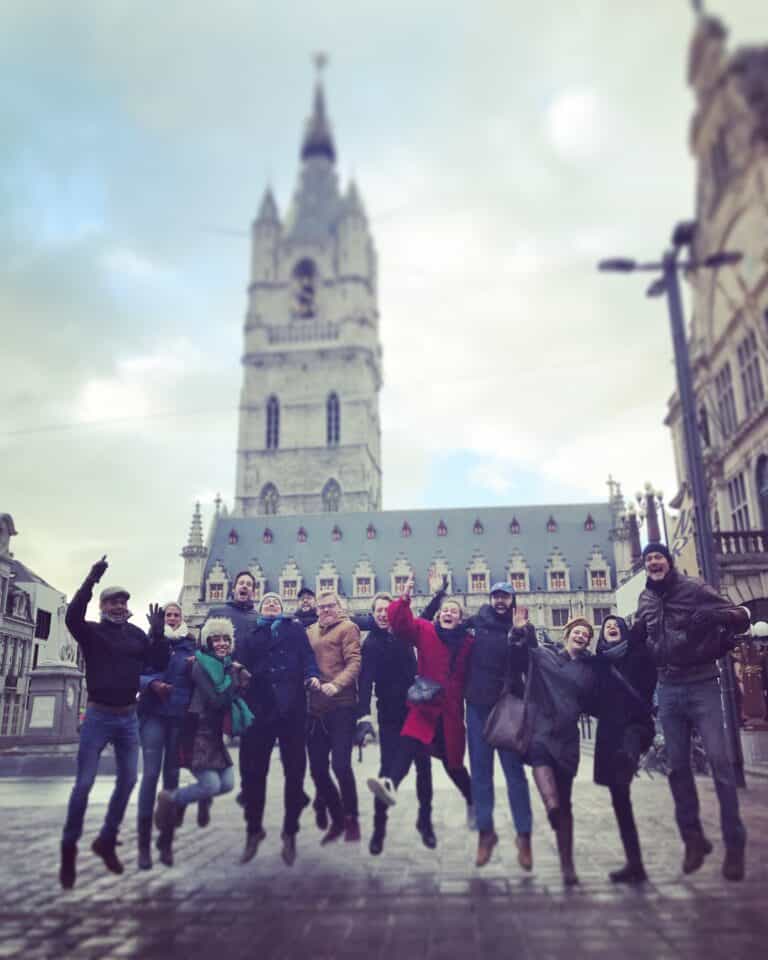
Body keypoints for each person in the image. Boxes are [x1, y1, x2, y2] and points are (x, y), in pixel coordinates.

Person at [633, 541, 750, 882]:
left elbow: (742, 617)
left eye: (658, 557)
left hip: (701, 684)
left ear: (668, 561)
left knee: (720, 763)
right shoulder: (645, 599)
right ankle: (693, 839)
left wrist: (717, 615)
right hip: (668, 687)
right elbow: (645, 642)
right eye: (648, 559)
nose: (653, 562)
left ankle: (735, 844)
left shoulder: (695, 588)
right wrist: (638, 639)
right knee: (677, 768)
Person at [59, 557, 168, 889]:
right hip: (98, 716)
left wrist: (159, 635)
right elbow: (72, 616)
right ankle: (69, 847)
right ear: (103, 606)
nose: (119, 606)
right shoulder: (91, 633)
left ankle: (106, 839)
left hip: (127, 717)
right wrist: (91, 579)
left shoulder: (136, 635)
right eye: (113, 602)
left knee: (129, 781)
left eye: (123, 602)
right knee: (84, 784)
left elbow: (157, 662)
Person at [367, 577, 475, 832]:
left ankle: (473, 800)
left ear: (461, 619)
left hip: (449, 713)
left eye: (454, 611)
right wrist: (404, 598)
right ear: (438, 615)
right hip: (425, 706)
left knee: (453, 765)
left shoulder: (469, 643)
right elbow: (400, 624)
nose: (448, 613)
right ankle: (390, 785)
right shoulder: (426, 631)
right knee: (408, 742)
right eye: (445, 610)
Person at [507, 615, 597, 886]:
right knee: (540, 759)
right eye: (577, 631)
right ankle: (551, 808)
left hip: (567, 737)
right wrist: (522, 629)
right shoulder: (544, 656)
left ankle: (567, 864)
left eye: (586, 634)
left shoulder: (589, 669)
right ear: (566, 634)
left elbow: (592, 699)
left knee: (566, 800)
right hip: (542, 730)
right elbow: (525, 648)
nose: (581, 636)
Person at [235, 592, 321, 866]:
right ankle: (253, 830)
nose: (271, 604)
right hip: (259, 708)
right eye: (267, 602)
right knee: (254, 773)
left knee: (294, 772)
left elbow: (308, 657)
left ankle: (290, 832)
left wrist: (311, 676)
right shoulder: (251, 634)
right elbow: (238, 663)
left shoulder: (294, 630)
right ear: (260, 609)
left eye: (276, 602)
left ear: (283, 609)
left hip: (291, 707)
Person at [154, 618, 253, 848]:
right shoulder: (200, 665)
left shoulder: (225, 665)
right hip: (196, 731)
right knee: (210, 785)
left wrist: (237, 674)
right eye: (216, 639)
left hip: (214, 734)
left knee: (227, 784)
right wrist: (235, 677)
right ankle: (170, 798)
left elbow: (233, 695)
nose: (221, 643)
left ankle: (190, 799)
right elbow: (217, 700)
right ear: (207, 642)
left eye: (226, 639)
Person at [353, 593, 436, 855]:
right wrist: (363, 716)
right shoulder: (370, 644)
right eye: (377, 610)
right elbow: (365, 682)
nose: (381, 613)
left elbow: (426, 618)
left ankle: (425, 821)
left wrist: (438, 594)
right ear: (372, 614)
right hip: (389, 713)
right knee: (387, 769)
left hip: (415, 709)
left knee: (424, 766)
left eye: (386, 609)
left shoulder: (405, 633)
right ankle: (379, 829)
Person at [463, 582, 536, 869]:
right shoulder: (477, 622)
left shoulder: (524, 627)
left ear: (512, 599)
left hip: (507, 707)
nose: (500, 601)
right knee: (480, 774)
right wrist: (438, 596)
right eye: (496, 596)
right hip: (477, 706)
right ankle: (486, 833)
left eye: (505, 596)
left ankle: (524, 836)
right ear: (490, 599)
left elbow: (529, 664)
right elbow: (445, 633)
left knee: (514, 774)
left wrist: (519, 634)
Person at [591, 615, 656, 883]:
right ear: (602, 636)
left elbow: (650, 675)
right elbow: (591, 701)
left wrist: (640, 637)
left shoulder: (638, 654)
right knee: (620, 799)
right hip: (611, 736)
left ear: (625, 631)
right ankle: (635, 863)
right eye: (607, 626)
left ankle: (629, 757)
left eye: (616, 625)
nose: (612, 627)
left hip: (635, 728)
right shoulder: (598, 664)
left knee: (628, 749)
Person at [136, 602, 197, 870]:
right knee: (150, 775)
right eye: (168, 615)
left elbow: (199, 680)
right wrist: (151, 683)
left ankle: (166, 841)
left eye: (176, 615)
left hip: (178, 716)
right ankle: (143, 846)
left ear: (182, 618)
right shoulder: (148, 641)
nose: (172, 618)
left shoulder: (190, 647)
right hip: (153, 713)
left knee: (171, 778)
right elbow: (133, 671)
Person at [306, 592, 362, 844]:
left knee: (341, 765)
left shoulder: (348, 628)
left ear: (340, 607)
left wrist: (337, 685)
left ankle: (351, 819)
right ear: (316, 610)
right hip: (316, 710)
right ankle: (337, 818)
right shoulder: (309, 632)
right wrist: (308, 678)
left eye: (330, 606)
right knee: (317, 769)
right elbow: (305, 662)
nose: (326, 610)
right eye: (322, 607)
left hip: (341, 706)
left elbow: (354, 662)